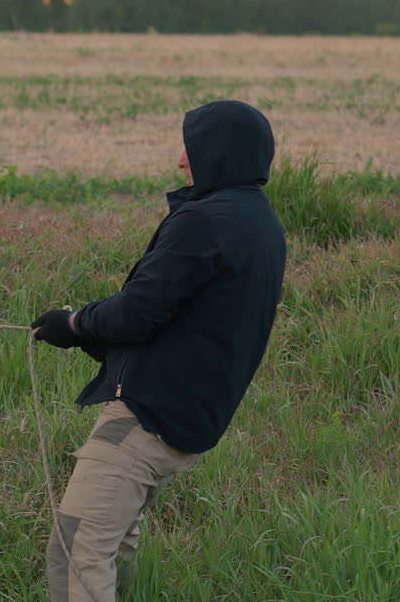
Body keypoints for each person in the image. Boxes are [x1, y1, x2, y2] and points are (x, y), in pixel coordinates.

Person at [31, 100, 287, 602]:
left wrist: (76, 323)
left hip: (147, 417)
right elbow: (190, 320)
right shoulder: (262, 224)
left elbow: (137, 312)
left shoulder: (205, 222)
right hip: (190, 415)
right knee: (114, 548)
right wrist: (95, 339)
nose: (181, 162)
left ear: (217, 152)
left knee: (76, 551)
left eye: (190, 149)